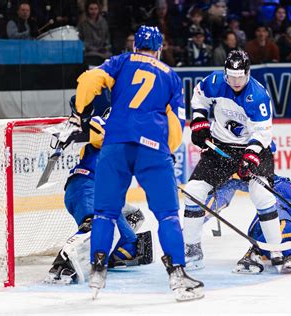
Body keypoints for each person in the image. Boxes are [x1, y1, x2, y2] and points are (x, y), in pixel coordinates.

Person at [73, 25, 204, 302]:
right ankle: (178, 275)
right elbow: (176, 128)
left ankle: (98, 270)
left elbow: (88, 81)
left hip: (116, 145)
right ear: (159, 48)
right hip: (153, 150)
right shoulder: (170, 76)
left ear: (135, 46)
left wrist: (80, 111)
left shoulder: (120, 62)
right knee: (167, 214)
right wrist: (164, 156)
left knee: (105, 213)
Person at [183, 49, 284, 271]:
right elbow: (199, 95)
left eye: (240, 77)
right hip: (220, 147)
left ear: (247, 73)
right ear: (225, 73)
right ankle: (192, 249)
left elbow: (262, 132)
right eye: (231, 76)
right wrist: (199, 120)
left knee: (262, 194)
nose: (235, 82)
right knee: (193, 192)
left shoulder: (258, 96)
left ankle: (275, 249)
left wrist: (250, 156)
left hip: (255, 150)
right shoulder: (216, 81)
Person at [44, 94, 152, 285]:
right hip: (85, 187)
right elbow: (95, 127)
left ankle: (107, 254)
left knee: (133, 226)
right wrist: (79, 114)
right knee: (94, 224)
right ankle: (62, 264)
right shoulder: (103, 127)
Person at [213, 175, 291, 274]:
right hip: (280, 225)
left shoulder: (256, 178)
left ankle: (254, 253)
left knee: (269, 235)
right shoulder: (284, 184)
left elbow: (234, 183)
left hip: (256, 230)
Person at [77, 0, 111, 66]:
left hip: (102, 51)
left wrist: (106, 48)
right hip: (88, 51)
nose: (93, 11)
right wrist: (89, 48)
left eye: (95, 9)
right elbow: (80, 39)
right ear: (87, 10)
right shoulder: (82, 23)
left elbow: (107, 38)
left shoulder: (103, 22)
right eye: (91, 9)